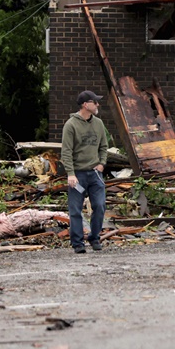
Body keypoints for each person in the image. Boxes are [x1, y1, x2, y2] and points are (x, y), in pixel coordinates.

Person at [61, 90, 109, 254]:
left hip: (95, 173)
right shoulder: (71, 125)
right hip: (78, 174)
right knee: (75, 210)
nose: (97, 105)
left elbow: (104, 146)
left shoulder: (98, 124)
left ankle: (94, 238)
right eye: (94, 102)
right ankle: (77, 243)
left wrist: (102, 164)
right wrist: (70, 173)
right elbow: (66, 151)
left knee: (100, 206)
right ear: (85, 105)